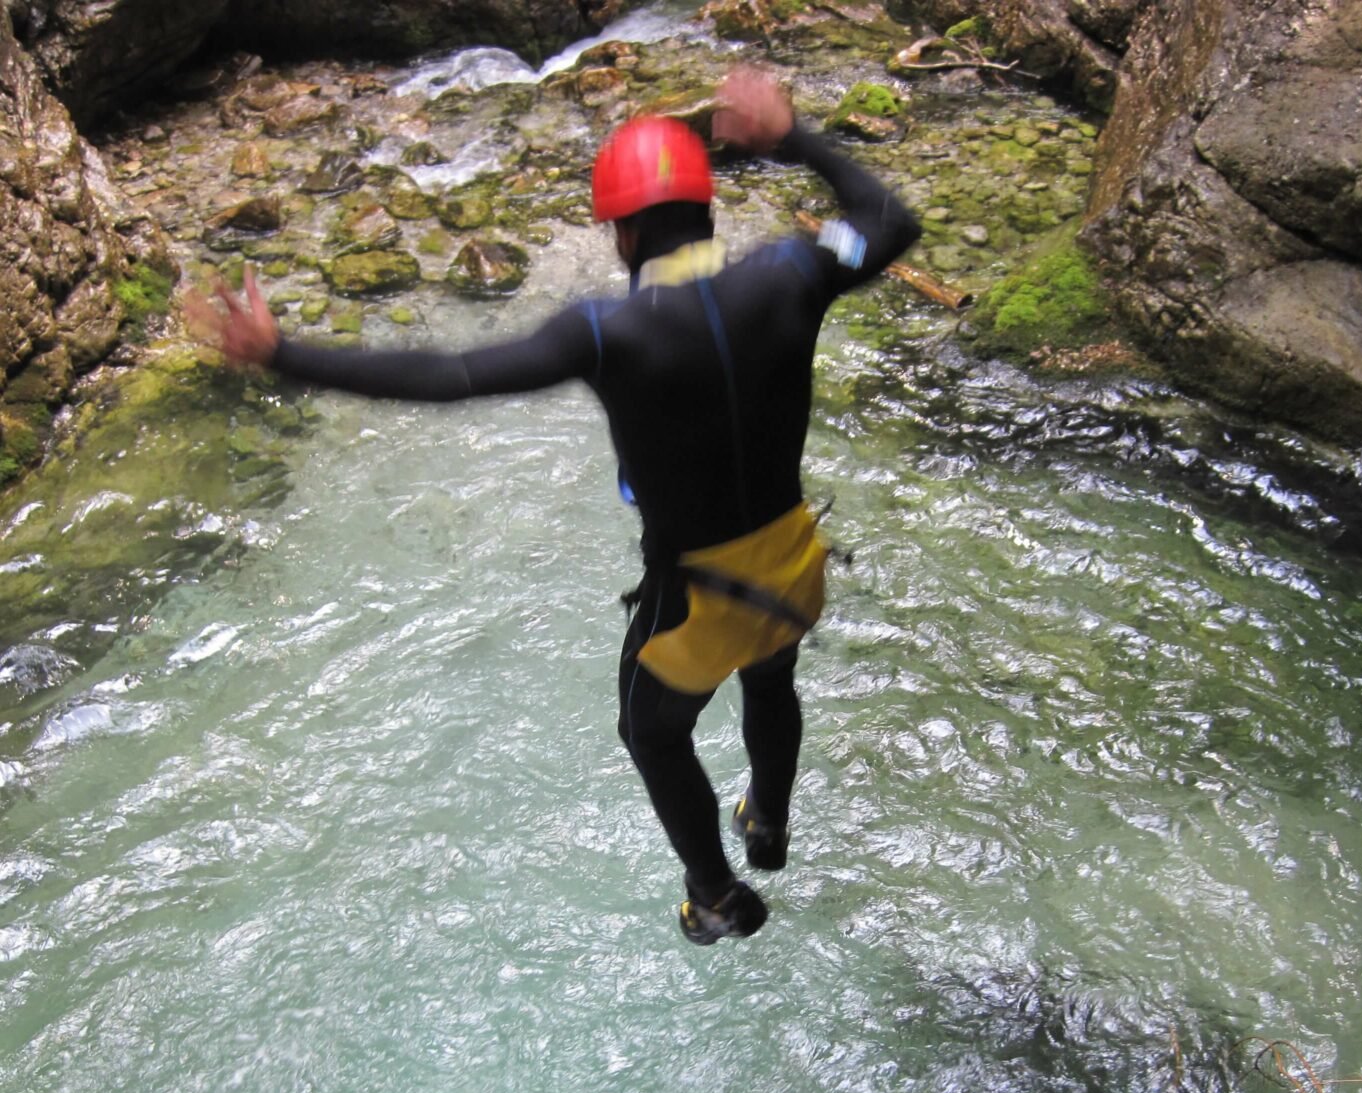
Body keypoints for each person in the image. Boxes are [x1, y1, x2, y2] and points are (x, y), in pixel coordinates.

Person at [189, 67, 920, 945]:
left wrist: (282, 353)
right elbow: (891, 222)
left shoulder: (607, 334)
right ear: (708, 207)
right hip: (795, 567)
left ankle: (718, 896)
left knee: (651, 733)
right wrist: (791, 136)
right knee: (773, 678)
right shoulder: (793, 272)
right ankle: (767, 822)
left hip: (700, 600)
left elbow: (447, 380)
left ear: (620, 232)